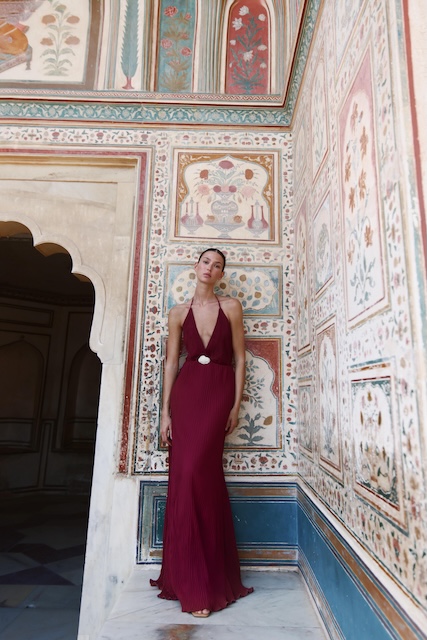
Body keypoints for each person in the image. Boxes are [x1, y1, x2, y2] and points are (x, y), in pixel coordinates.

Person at [150, 248, 253, 617]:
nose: (211, 268)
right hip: (187, 392)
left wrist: (235, 405)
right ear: (196, 267)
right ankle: (189, 581)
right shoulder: (178, 313)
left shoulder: (232, 307)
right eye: (206, 262)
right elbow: (171, 362)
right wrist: (165, 413)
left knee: (199, 474)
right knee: (186, 475)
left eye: (218, 265)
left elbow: (240, 358)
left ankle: (208, 577)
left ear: (221, 274)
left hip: (218, 391)